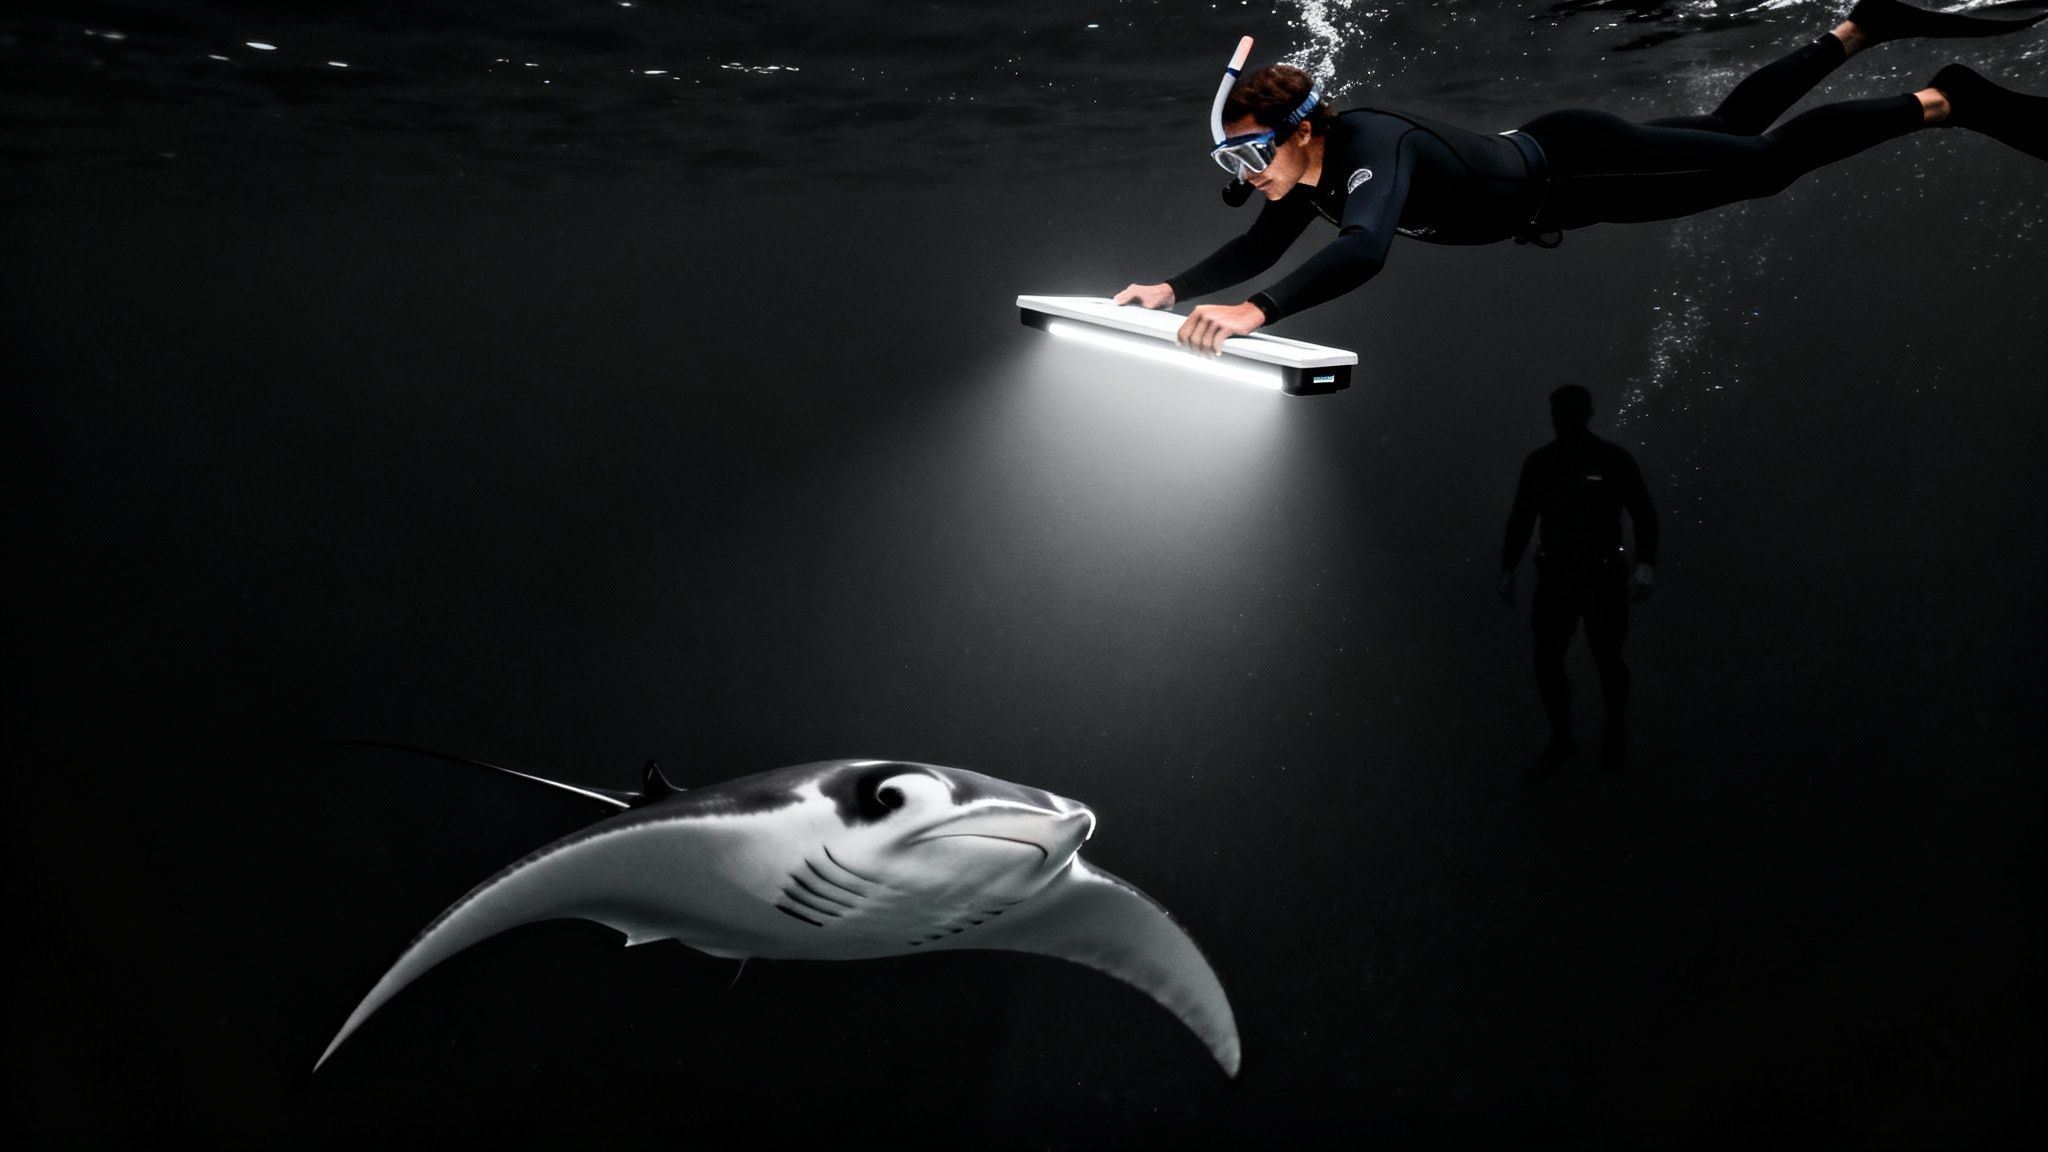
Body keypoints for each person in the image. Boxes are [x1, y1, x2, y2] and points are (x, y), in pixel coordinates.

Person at [1114, 0, 2048, 353]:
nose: (1245, 175)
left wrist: (1258, 314)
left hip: (1582, 168)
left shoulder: (1366, 148)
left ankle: (1945, 100)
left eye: (1250, 153)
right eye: (1229, 161)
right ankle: (1860, 27)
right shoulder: (1301, 179)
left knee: (1760, 167)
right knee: (1730, 131)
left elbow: (1365, 249)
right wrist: (1173, 289)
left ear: (1302, 130)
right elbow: (1252, 242)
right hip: (1563, 177)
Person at [1500, 385, 1658, 773]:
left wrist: (1508, 568)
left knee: (1576, 660)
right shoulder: (1605, 459)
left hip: (1577, 574)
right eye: (1559, 410)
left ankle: (1575, 735)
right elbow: (1643, 514)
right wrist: (1644, 565)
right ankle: (1597, 733)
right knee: (1584, 659)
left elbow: (1522, 519)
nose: (1560, 418)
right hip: (1583, 574)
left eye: (1563, 410)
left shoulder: (1546, 462)